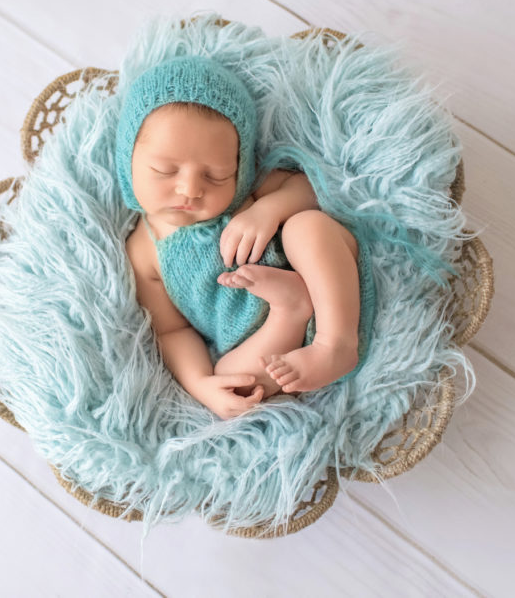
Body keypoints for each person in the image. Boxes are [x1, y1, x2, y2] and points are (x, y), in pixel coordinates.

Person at [119, 55, 365, 419]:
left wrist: (270, 208)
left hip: (330, 292)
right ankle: (290, 310)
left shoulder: (246, 193)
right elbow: (172, 331)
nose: (189, 189)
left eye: (216, 175)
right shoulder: (143, 251)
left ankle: (337, 343)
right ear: (128, 161)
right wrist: (200, 383)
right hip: (269, 349)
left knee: (306, 227)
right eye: (164, 171)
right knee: (228, 377)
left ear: (240, 166)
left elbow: (313, 190)